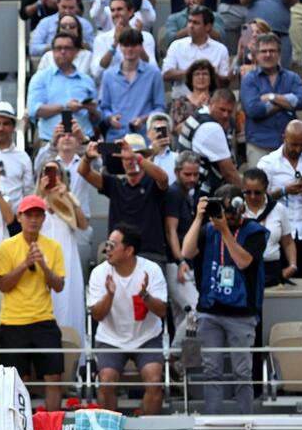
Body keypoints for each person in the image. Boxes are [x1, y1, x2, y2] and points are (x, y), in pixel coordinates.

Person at [182, 187, 267, 414]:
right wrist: (199, 217)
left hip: (242, 313)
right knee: (212, 371)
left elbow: (243, 262)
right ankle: (213, 424)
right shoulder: (208, 229)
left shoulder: (255, 231)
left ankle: (246, 422)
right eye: (223, 210)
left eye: (231, 210)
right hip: (210, 310)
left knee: (242, 372)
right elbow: (186, 251)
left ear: (242, 207)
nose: (227, 216)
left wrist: (225, 232)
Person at [0, 194, 66, 412]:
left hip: (44, 319)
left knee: (53, 377)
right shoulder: (7, 246)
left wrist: (43, 265)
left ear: (44, 218)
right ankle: (19, 429)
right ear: (20, 217)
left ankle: (52, 425)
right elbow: (3, 285)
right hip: (13, 321)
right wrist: (26, 263)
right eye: (29, 215)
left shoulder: (53, 247)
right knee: (17, 381)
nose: (33, 219)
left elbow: (59, 285)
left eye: (38, 215)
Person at [87, 223, 168, 414]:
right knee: (105, 382)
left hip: (147, 337)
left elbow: (162, 311)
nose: (107, 249)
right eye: (107, 244)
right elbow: (97, 316)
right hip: (110, 338)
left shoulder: (151, 270)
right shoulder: (99, 273)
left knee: (155, 381)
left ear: (129, 250)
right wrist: (109, 295)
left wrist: (145, 295)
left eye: (113, 245)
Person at [79, 134, 169, 263]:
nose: (130, 160)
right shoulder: (115, 184)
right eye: (125, 156)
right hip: (118, 255)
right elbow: (83, 172)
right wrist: (87, 157)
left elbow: (164, 179)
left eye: (135, 155)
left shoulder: (152, 182)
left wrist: (136, 158)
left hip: (150, 254)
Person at [35, 158, 87, 350]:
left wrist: (69, 197)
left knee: (69, 305)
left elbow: (83, 224)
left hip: (67, 259)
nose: (51, 177)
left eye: (56, 172)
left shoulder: (68, 198)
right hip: (41, 260)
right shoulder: (35, 201)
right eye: (47, 172)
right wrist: (41, 193)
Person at [240, 34, 302, 167]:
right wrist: (287, 103)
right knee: (259, 186)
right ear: (256, 54)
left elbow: (301, 101)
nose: (268, 54)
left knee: (292, 186)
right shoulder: (249, 79)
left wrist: (271, 97)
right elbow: (254, 110)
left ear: (279, 54)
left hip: (290, 146)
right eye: (263, 51)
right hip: (259, 144)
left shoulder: (291, 77)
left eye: (272, 51)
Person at [256, 121, 302, 277]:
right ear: (284, 138)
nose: (298, 149)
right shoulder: (268, 163)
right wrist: (283, 191)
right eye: (294, 144)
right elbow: (257, 199)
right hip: (280, 232)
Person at [27, 32, 100, 144]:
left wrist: (92, 110)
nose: (62, 52)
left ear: (76, 52)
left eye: (67, 48)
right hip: (51, 142)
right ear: (52, 52)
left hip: (82, 142)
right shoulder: (40, 78)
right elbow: (34, 110)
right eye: (58, 48)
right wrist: (65, 107)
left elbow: (97, 119)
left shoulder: (87, 81)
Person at [163, 150, 203, 346]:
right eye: (188, 174)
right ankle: (173, 355)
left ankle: (182, 369)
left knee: (182, 317)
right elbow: (171, 231)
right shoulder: (173, 194)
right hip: (176, 263)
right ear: (177, 172)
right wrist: (180, 261)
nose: (192, 179)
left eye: (196, 174)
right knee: (197, 311)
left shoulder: (186, 195)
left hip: (184, 263)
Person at [98, 28, 165, 143]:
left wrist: (144, 119)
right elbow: (104, 107)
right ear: (120, 47)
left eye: (134, 45)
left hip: (144, 139)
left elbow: (160, 107)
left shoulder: (154, 73)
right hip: (116, 138)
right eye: (126, 45)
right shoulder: (108, 75)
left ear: (140, 47)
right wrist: (110, 118)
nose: (129, 49)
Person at [176, 88, 242, 192]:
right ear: (211, 103)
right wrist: (245, 197)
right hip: (202, 190)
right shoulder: (211, 128)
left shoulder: (199, 114)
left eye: (229, 111)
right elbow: (229, 173)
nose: (225, 115)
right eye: (222, 109)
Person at [242, 167, 296, 285]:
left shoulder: (278, 208)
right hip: (243, 268)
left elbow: (288, 241)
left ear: (266, 189)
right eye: (247, 192)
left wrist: (292, 266)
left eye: (257, 192)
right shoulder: (237, 209)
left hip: (272, 268)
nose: (252, 197)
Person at [163, 6, 231, 99]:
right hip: (182, 100)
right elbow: (166, 75)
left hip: (211, 101)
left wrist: (212, 74)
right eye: (189, 21)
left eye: (196, 23)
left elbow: (225, 84)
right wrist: (192, 72)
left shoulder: (220, 49)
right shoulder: (176, 45)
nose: (191, 26)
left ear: (208, 27)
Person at [90, 0, 158, 83]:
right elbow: (96, 72)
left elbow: (153, 68)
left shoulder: (146, 37)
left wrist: (137, 40)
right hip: (110, 89)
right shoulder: (100, 39)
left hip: (139, 87)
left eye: (120, 9)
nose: (115, 13)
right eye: (112, 10)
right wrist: (114, 44)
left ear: (130, 12)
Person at [28, 0, 95, 59]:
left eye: (71, 8)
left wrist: (82, 44)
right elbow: (33, 49)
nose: (67, 11)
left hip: (80, 62)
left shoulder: (85, 24)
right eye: (64, 7)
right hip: (51, 61)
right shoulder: (45, 23)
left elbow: (94, 49)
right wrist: (56, 45)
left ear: (77, 6)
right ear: (58, 4)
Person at [243, 0, 293, 69]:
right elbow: (243, 0)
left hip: (281, 33)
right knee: (249, 68)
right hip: (253, 33)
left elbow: (292, 0)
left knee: (283, 72)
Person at [169, 58, 217, 135]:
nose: (201, 77)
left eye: (205, 74)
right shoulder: (180, 103)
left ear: (211, 78)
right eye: (197, 74)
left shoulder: (217, 100)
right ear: (191, 79)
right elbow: (175, 130)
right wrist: (198, 111)